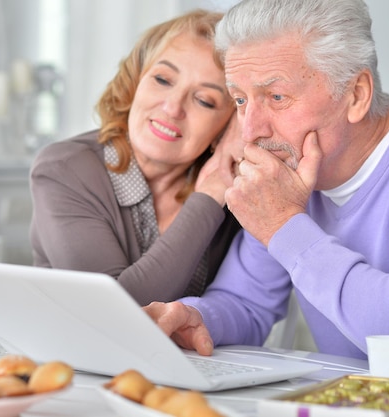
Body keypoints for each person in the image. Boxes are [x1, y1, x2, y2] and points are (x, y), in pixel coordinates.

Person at [144, 0, 389, 389]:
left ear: (356, 94)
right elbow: (246, 302)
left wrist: (284, 225)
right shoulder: (291, 168)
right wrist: (197, 317)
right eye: (240, 100)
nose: (250, 131)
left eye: (276, 97)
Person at [29, 10, 241, 306]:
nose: (172, 107)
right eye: (163, 79)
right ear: (135, 81)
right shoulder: (64, 169)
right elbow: (114, 310)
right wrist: (211, 193)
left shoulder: (240, 191)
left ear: (231, 126)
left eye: (204, 100)